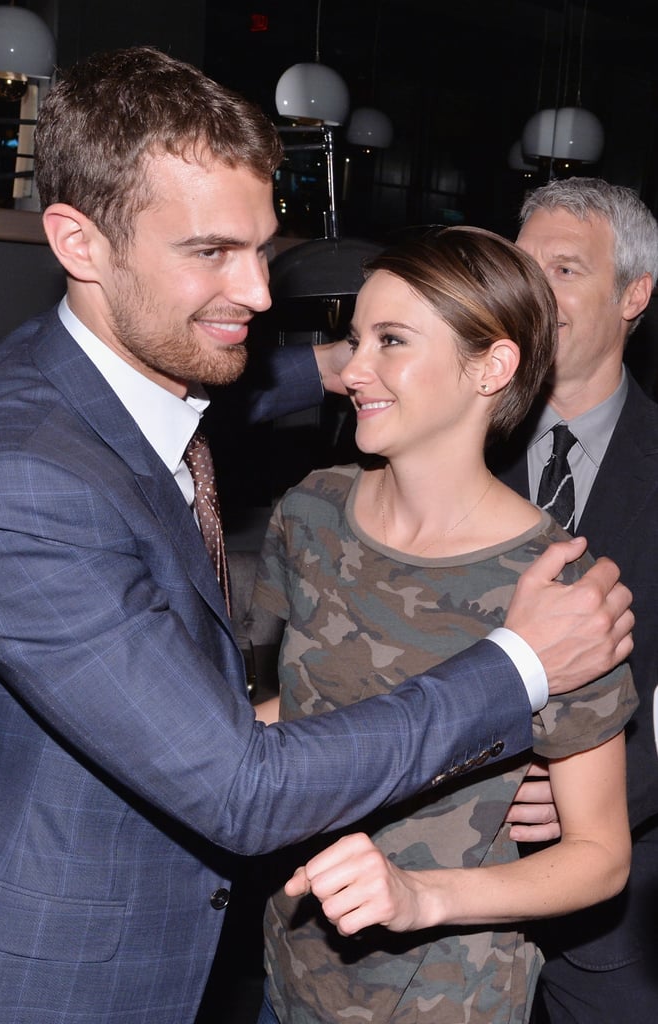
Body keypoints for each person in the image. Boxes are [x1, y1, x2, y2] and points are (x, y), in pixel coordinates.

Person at [0, 49, 632, 1024]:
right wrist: (520, 664)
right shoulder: (24, 485)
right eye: (210, 253)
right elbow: (242, 784)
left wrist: (366, 359)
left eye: (263, 247)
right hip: (65, 966)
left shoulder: (111, 377)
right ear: (79, 244)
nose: (255, 293)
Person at [252, 226, 636, 1024]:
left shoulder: (552, 585)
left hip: (447, 999)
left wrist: (420, 897)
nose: (353, 369)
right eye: (356, 339)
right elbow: (298, 706)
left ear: (491, 367)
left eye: (391, 341)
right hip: (288, 978)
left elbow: (600, 859)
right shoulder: (312, 510)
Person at [491, 176, 658, 1023]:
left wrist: (594, 797)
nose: (534, 291)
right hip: (449, 879)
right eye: (523, 266)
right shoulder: (446, 442)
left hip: (622, 916)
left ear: (636, 294)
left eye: (564, 269)